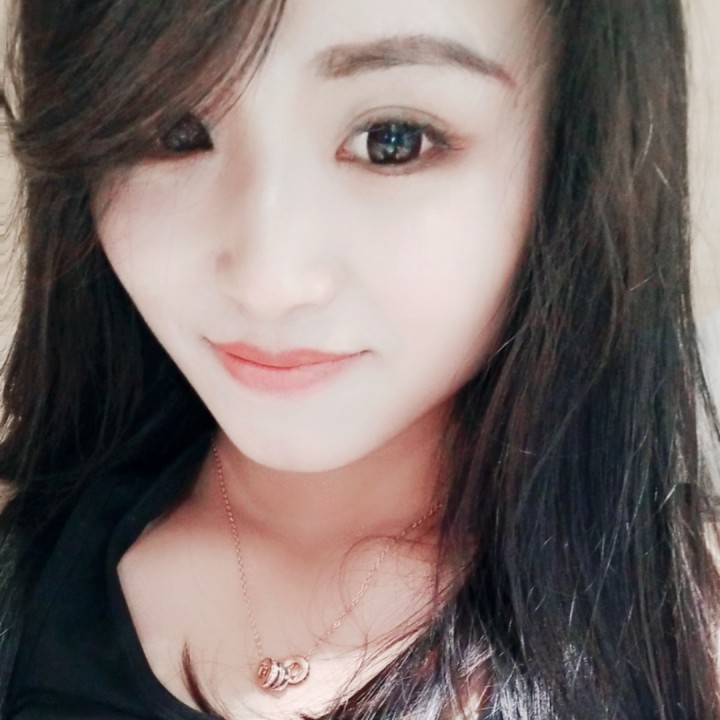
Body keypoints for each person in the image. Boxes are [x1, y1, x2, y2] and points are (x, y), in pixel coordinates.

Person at [0, 0, 719, 717]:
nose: (267, 282)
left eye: (392, 140)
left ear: (574, 152)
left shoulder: (693, 628)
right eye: (172, 133)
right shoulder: (25, 569)